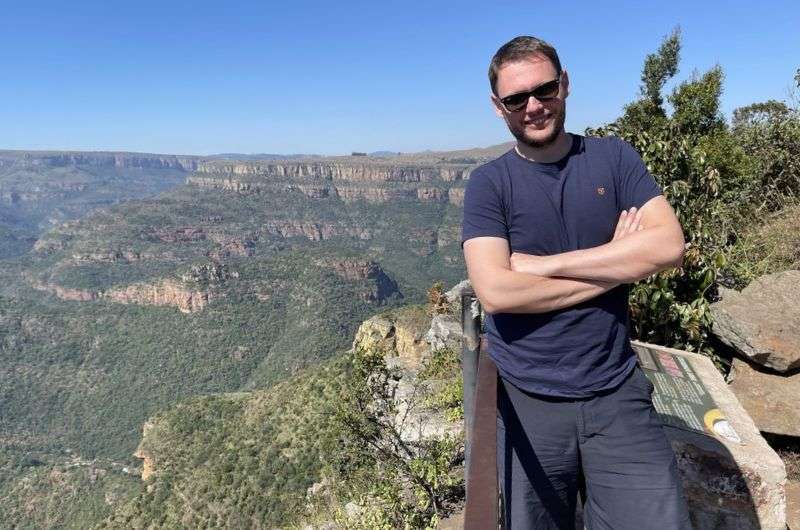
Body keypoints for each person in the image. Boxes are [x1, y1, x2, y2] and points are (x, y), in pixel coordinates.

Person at [461, 36, 693, 529]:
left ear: (564, 84)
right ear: (497, 107)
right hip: (527, 399)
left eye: (544, 89)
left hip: (616, 391)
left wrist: (540, 266)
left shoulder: (615, 159)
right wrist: (619, 264)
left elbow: (669, 246)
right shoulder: (489, 184)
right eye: (516, 99)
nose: (534, 107)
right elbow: (497, 292)